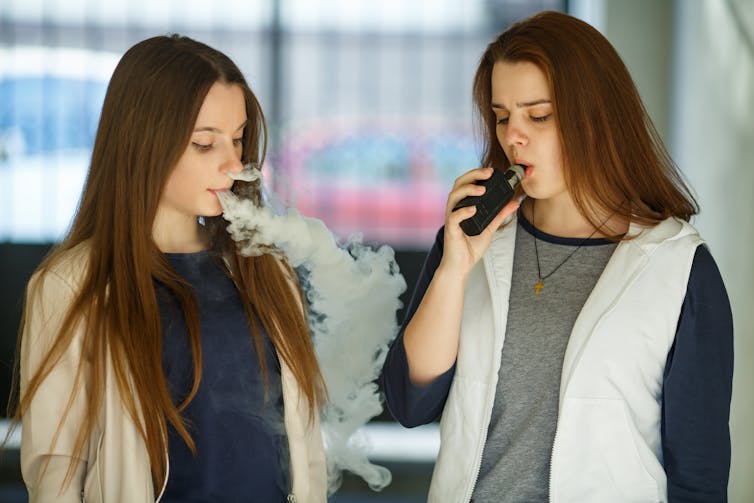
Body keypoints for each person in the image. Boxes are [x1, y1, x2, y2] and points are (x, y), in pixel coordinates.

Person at [381, 11, 733, 503]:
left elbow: (699, 474)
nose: (512, 136)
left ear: (597, 118)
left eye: (538, 115)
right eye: (502, 116)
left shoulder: (679, 267)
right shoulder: (471, 243)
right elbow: (409, 403)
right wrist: (455, 268)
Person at [10, 35, 327, 502]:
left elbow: (305, 445)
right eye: (205, 144)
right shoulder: (71, 286)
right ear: (143, 142)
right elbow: (55, 473)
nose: (233, 163)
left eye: (238, 140)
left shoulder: (269, 272)